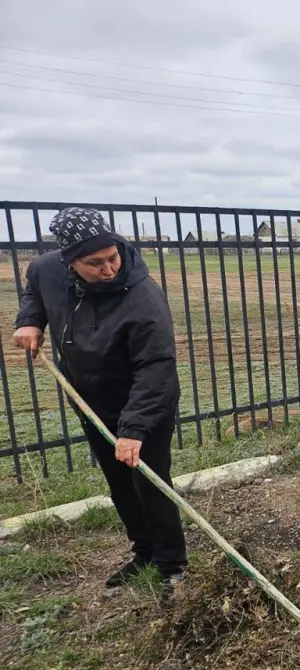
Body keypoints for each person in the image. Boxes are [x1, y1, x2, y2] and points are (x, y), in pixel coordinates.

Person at [12, 207, 186, 592]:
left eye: (113, 258)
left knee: (150, 482)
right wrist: (29, 319)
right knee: (119, 483)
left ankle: (171, 566)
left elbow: (156, 366)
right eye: (95, 263)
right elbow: (34, 290)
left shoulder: (143, 298)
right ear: (70, 262)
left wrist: (134, 429)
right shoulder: (48, 270)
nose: (108, 269)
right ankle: (143, 554)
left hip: (144, 400)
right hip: (90, 399)